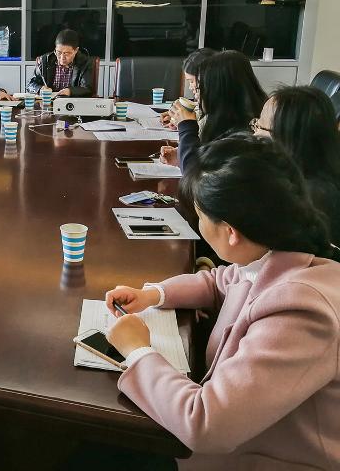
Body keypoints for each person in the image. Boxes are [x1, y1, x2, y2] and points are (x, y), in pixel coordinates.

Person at [105, 135, 340, 470]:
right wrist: (152, 295)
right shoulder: (276, 254)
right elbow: (219, 282)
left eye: (200, 216)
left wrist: (137, 350)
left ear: (230, 232)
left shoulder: (301, 311)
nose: (199, 225)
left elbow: (206, 423)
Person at [253, 85, 340, 244]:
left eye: (260, 126)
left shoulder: (308, 200)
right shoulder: (313, 172)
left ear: (288, 138)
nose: (255, 134)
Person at [161, 50, 266, 172]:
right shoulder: (229, 120)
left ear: (219, 90)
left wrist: (186, 127)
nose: (197, 92)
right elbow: (206, 161)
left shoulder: (242, 134)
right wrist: (181, 156)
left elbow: (194, 173)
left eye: (201, 86)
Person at [27, 29, 96, 96]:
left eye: (67, 53)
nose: (62, 57)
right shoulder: (45, 60)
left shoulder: (85, 62)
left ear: (76, 50)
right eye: (59, 52)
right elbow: (30, 84)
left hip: (72, 101)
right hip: (49, 101)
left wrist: (70, 91)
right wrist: (40, 89)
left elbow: (87, 89)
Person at [160, 47, 216, 127]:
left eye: (192, 81)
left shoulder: (219, 113)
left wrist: (186, 124)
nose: (190, 87)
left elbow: (202, 129)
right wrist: (179, 118)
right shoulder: (204, 107)